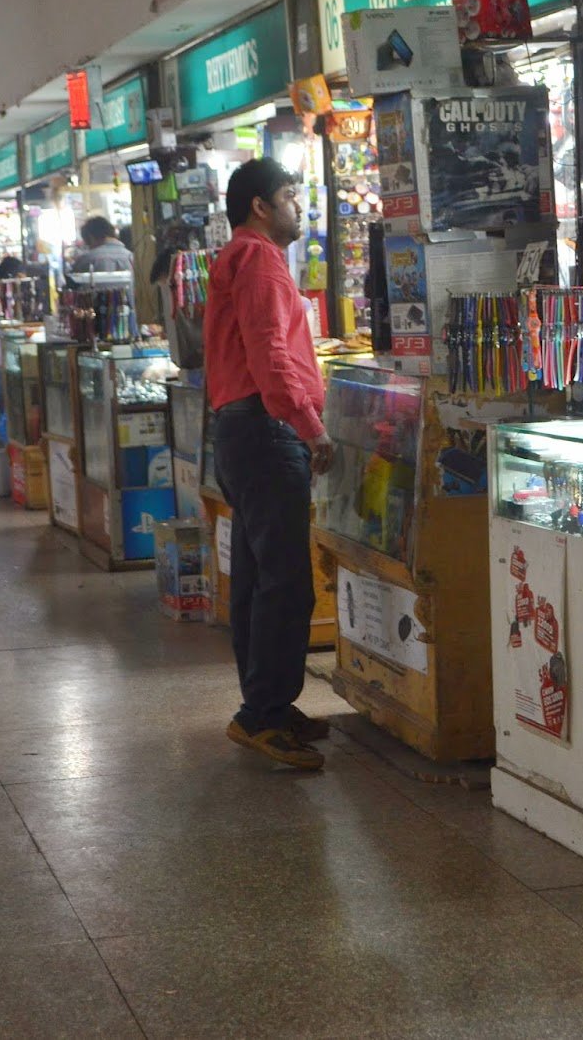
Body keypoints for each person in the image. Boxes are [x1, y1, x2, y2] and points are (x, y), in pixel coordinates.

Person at [206, 158, 333, 770]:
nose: (297, 206)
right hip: (265, 427)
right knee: (285, 582)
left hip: (242, 429)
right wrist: (310, 428)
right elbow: (270, 353)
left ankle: (266, 706)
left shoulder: (238, 257)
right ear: (261, 205)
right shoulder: (257, 259)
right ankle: (262, 713)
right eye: (289, 195)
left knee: (259, 579)